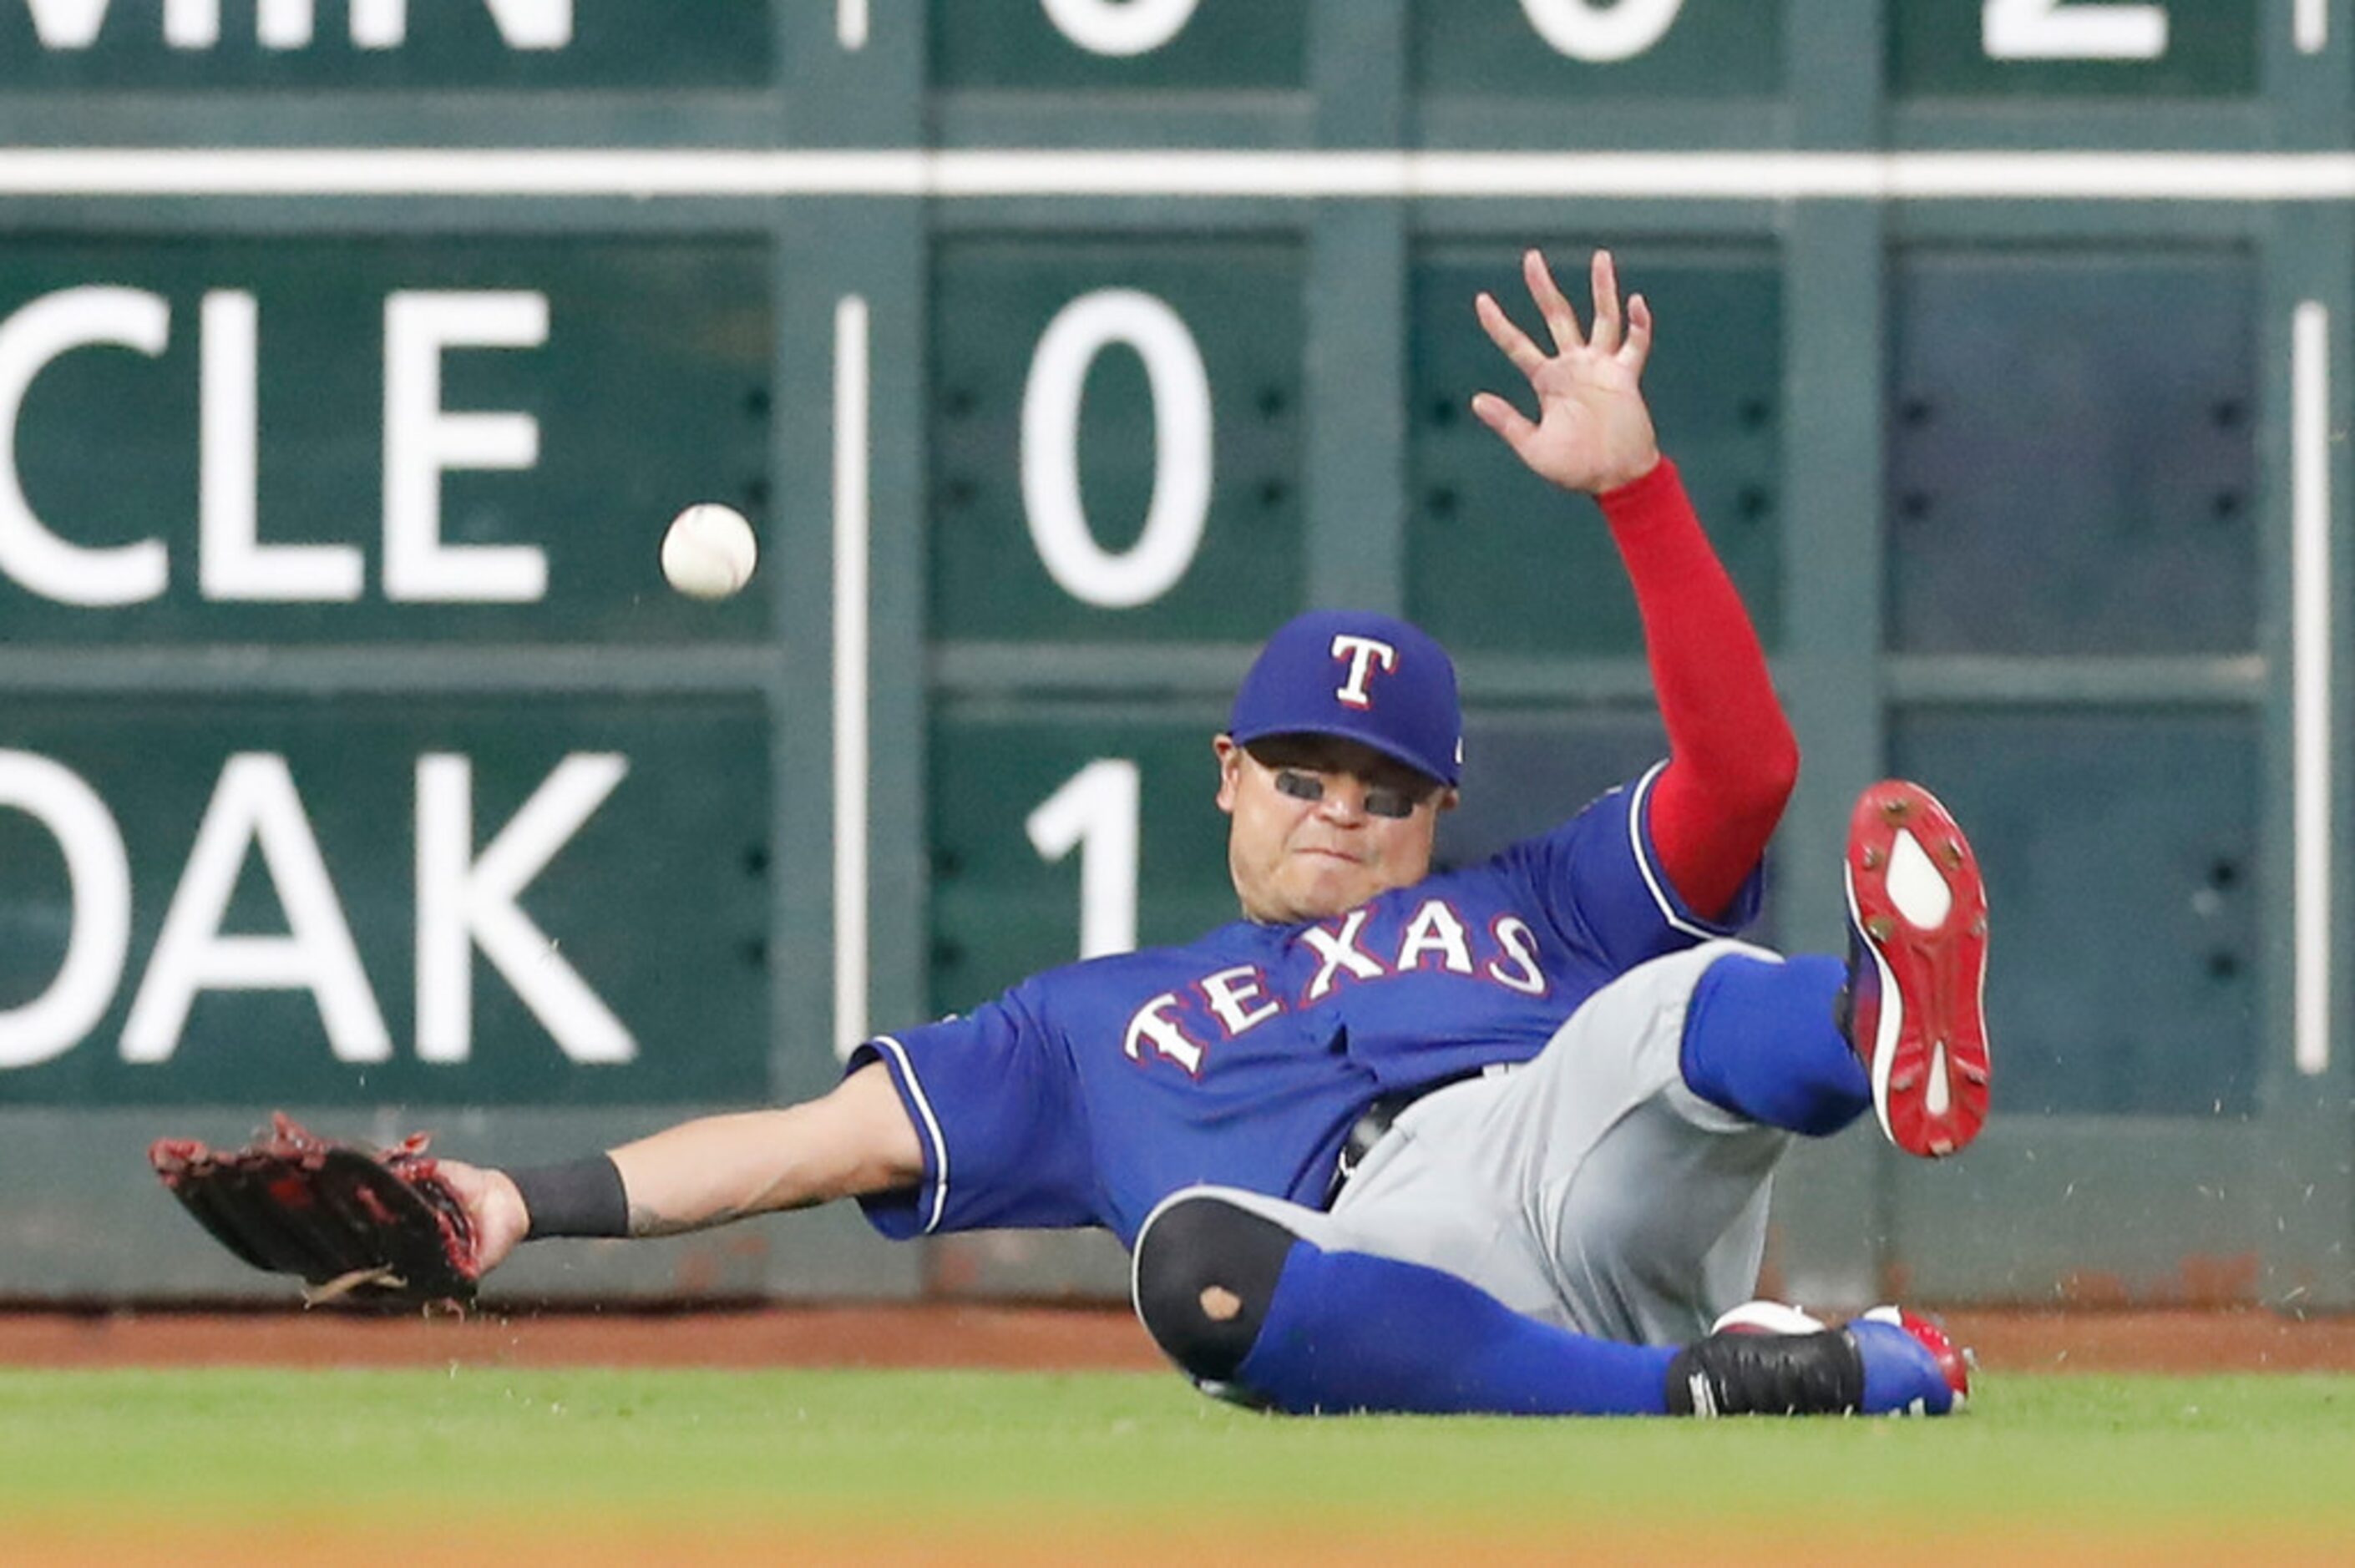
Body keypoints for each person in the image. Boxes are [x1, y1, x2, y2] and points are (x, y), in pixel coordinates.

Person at [438, 249, 1993, 1418]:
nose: (1341, 809)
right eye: (1306, 772)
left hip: (1564, 1143)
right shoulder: (1088, 1027)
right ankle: (1733, 1385)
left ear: (1436, 808)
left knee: (1677, 998)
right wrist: (522, 1199)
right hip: (1376, 1257)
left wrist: (1640, 493)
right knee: (1191, 1256)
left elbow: (1744, 778)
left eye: (1384, 786)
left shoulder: (1538, 899)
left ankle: (1879, 1019)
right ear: (1229, 774)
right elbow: (795, 1147)